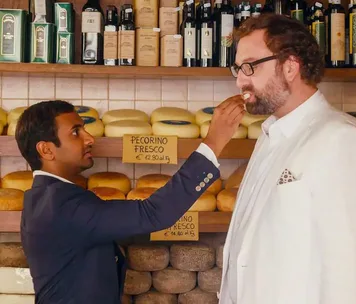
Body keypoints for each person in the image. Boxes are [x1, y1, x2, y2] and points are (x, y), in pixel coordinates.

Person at [15, 98, 245, 304]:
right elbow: (154, 213)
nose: (90, 138)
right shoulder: (61, 206)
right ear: (46, 150)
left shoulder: (45, 196)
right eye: (76, 132)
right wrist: (214, 141)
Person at [218, 14, 356, 304]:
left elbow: (351, 274)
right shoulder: (270, 134)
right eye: (237, 68)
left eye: (249, 66)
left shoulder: (341, 140)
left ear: (290, 66)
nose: (240, 79)